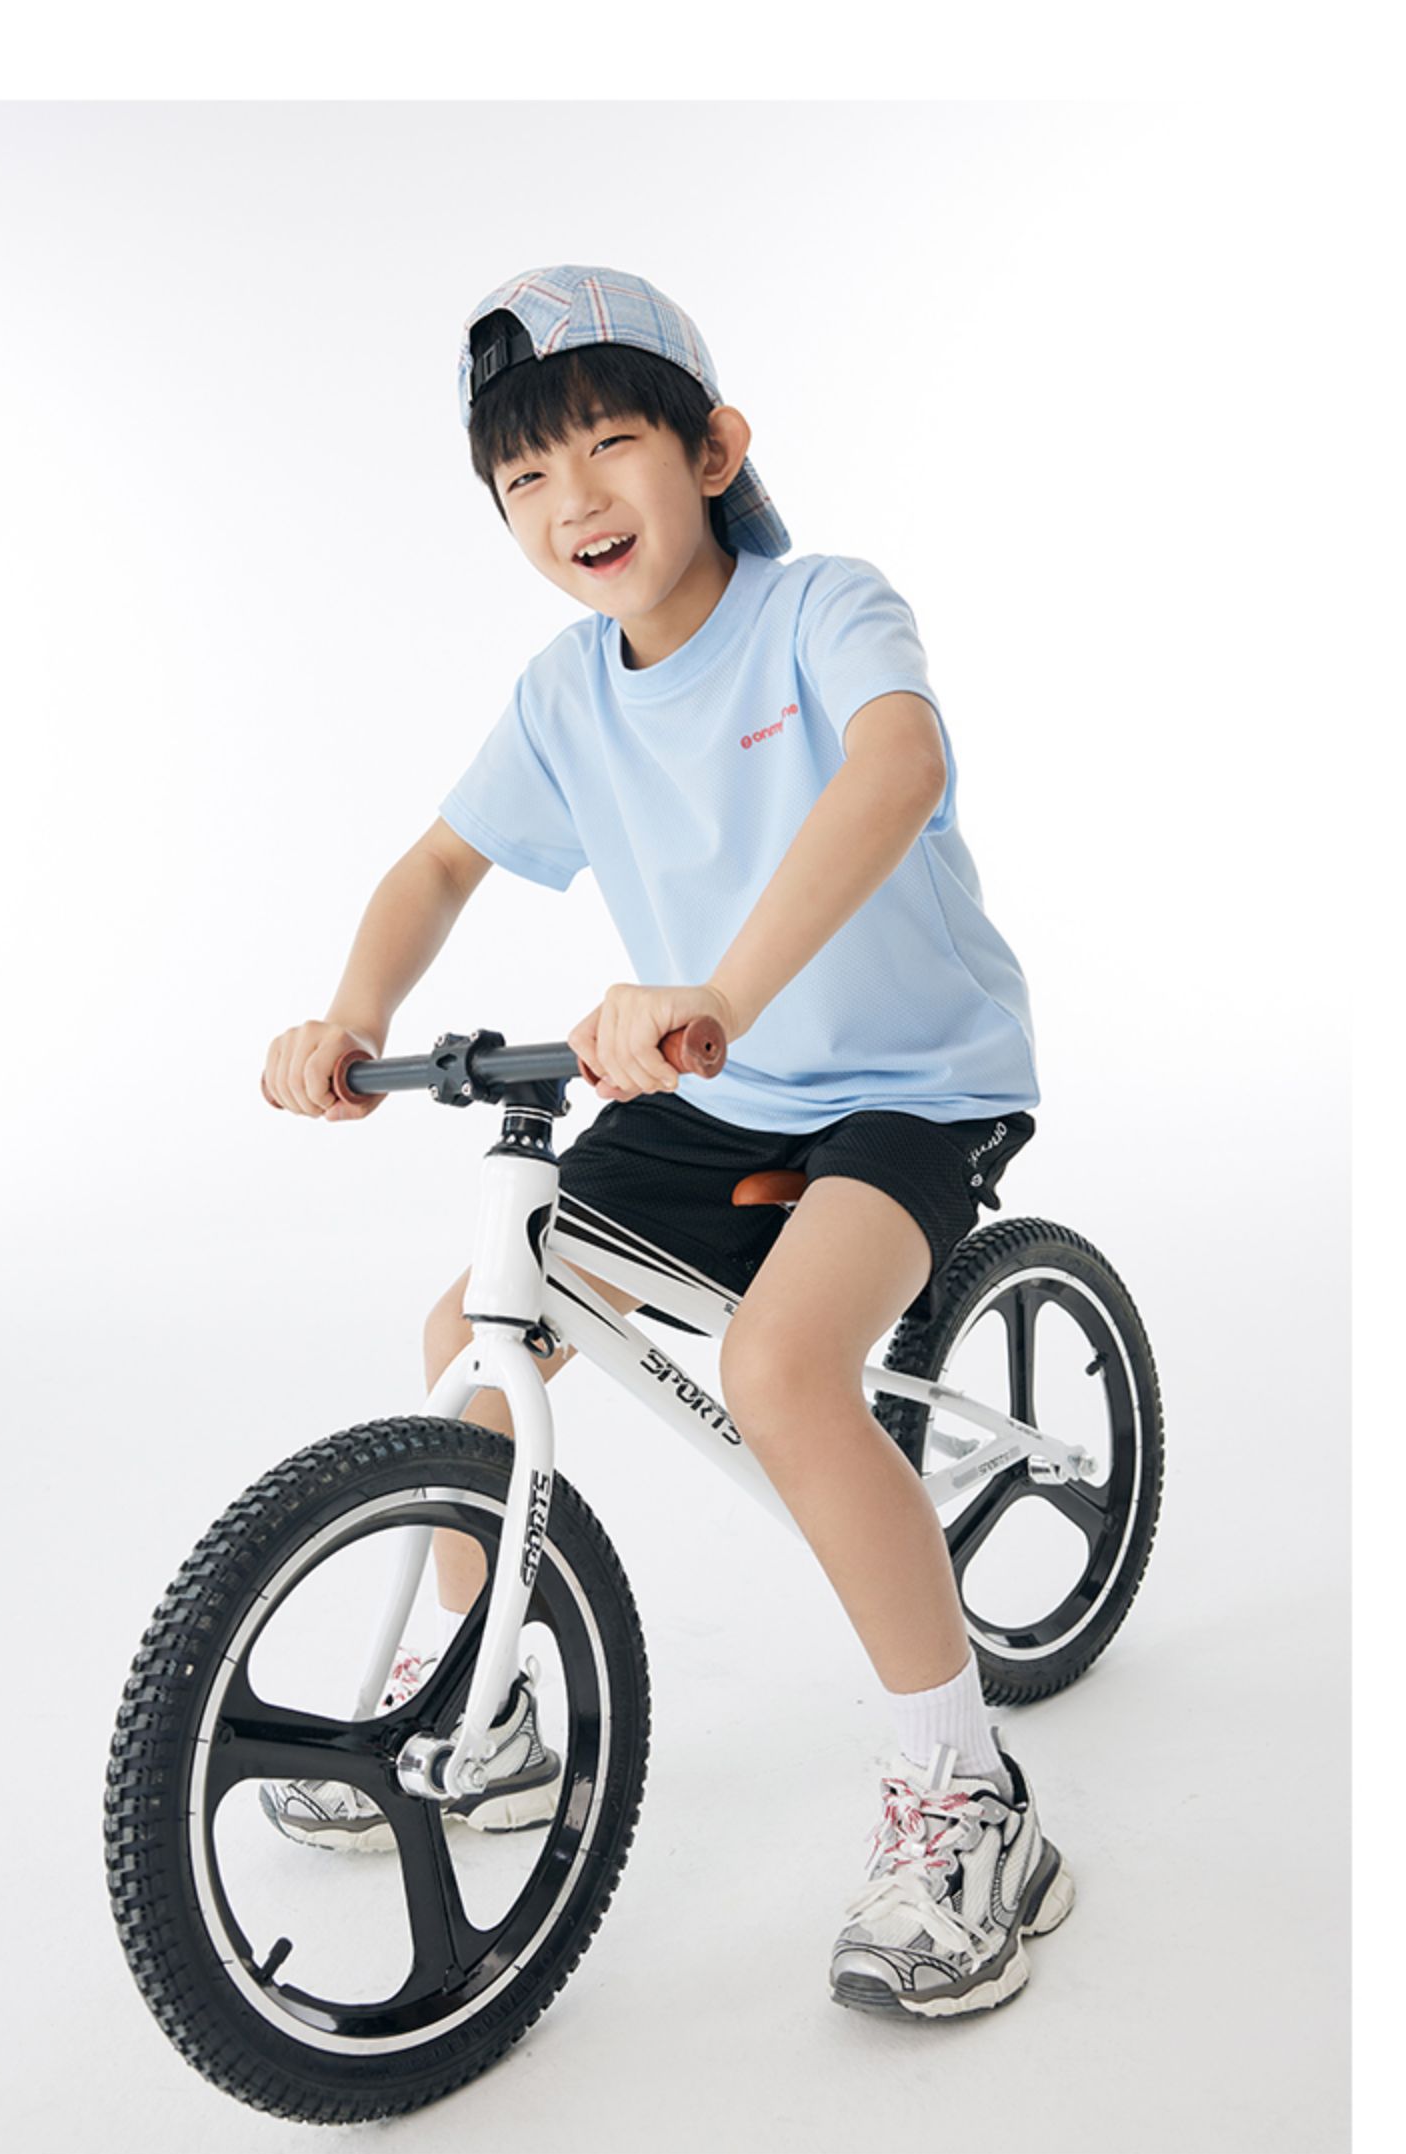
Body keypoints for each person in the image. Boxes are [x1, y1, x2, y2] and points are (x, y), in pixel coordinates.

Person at [259, 265, 1074, 2016]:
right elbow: (439, 864)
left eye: (608, 447)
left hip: (912, 1081)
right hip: (713, 1084)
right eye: (522, 481)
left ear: (712, 451)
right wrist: (350, 1014)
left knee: (781, 1367)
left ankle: (971, 1795)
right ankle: (484, 1702)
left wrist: (721, 989)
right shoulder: (568, 693)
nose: (570, 502)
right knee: (476, 1327)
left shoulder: (820, 609)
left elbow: (895, 770)